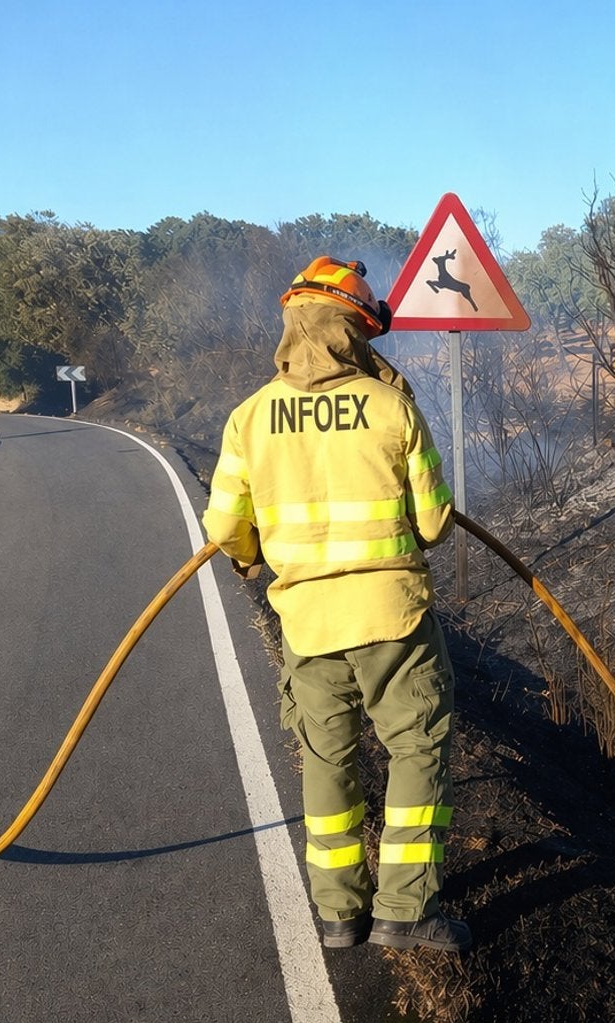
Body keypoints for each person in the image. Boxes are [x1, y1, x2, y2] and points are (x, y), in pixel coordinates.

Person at [204, 256, 472, 954]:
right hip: (395, 623)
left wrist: (249, 554)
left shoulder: (250, 418)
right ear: (356, 329)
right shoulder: (392, 408)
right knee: (415, 751)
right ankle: (406, 912)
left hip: (309, 624)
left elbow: (229, 529)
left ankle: (339, 915)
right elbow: (436, 522)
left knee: (327, 759)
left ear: (294, 323)